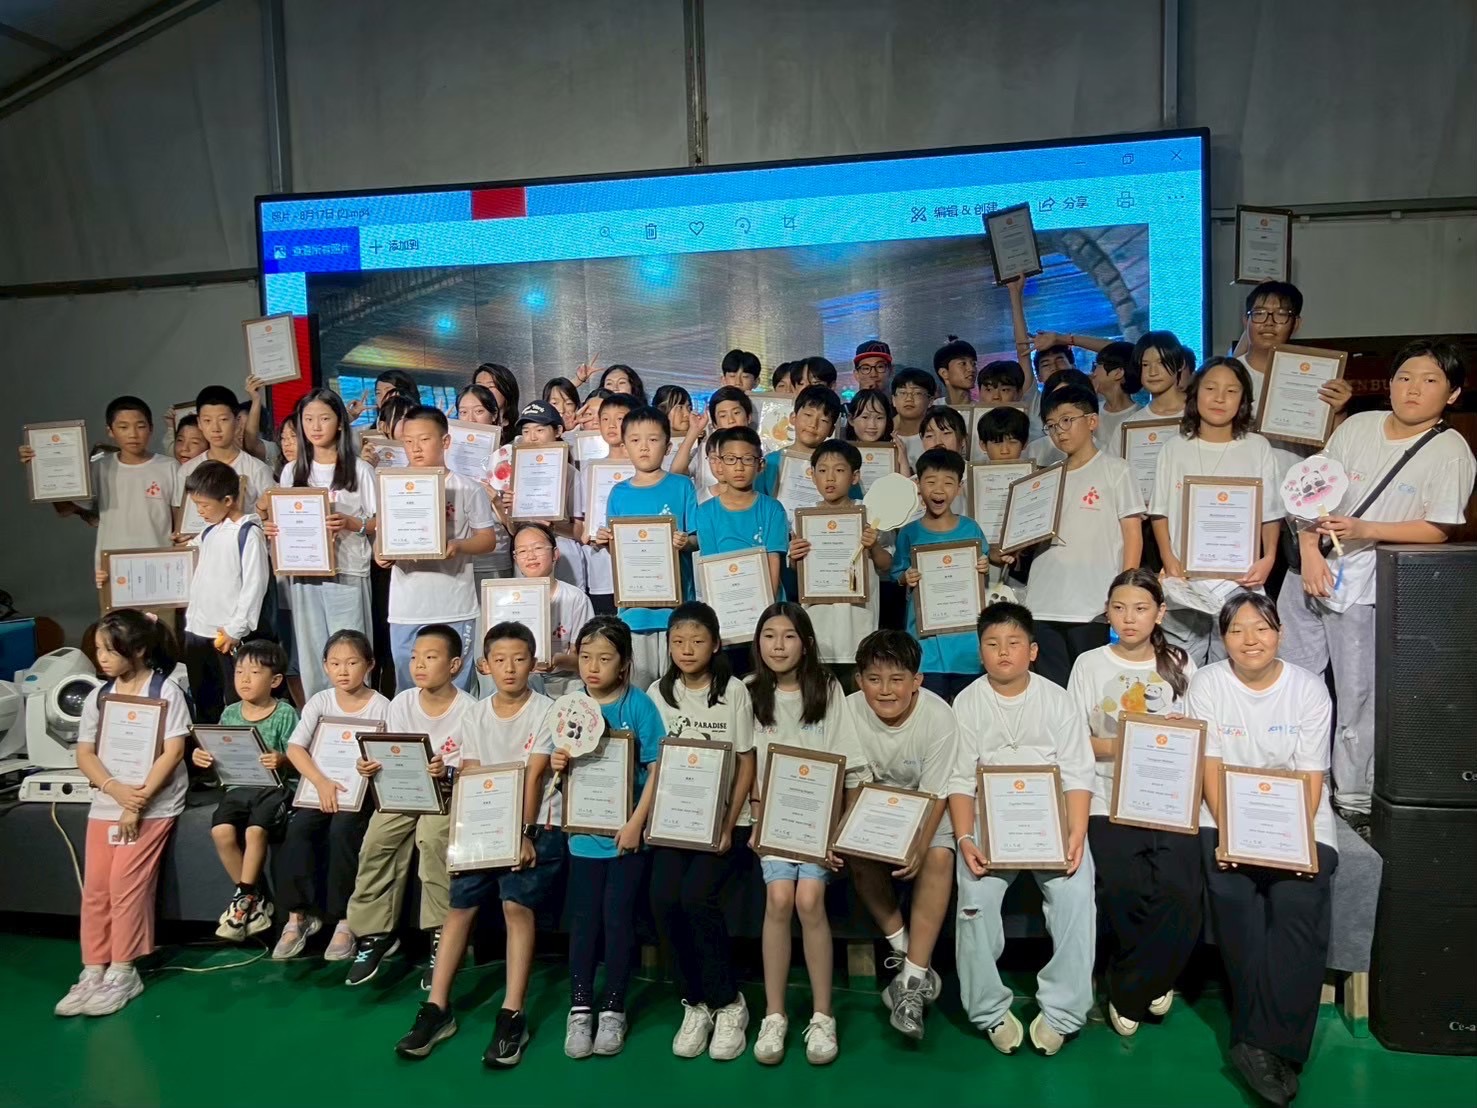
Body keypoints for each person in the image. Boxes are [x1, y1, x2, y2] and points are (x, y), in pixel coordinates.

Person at [1280, 339, 1474, 831]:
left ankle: (1352, 798)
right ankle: (1291, 781)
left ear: (1452, 394)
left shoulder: (1451, 451)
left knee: (1357, 696)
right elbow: (1309, 492)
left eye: (1430, 380)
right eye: (1404, 377)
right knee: (1292, 681)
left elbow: (1439, 528)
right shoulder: (1358, 426)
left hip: (1364, 589)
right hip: (1307, 574)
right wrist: (1309, 554)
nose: (1413, 389)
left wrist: (1364, 529)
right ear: (1389, 383)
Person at [1191, 593, 1339, 1106]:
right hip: (1224, 815)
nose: (1249, 639)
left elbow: (1310, 776)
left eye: (1261, 628)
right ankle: (1270, 1045)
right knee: (1233, 896)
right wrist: (1234, 835)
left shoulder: (1308, 688)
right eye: (1236, 630)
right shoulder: (1208, 683)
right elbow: (1209, 768)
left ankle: (1255, 1044)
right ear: (1223, 638)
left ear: (1280, 632)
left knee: (1299, 901)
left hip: (1300, 820)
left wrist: (1287, 841)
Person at [395, 621, 563, 1067]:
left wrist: (525, 834)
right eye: (500, 660)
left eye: (519, 659)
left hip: (533, 826)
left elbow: (535, 775)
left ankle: (512, 1014)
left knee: (514, 906)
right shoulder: (475, 713)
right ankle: (437, 1009)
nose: (509, 668)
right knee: (459, 908)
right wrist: (465, 829)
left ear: (533, 663)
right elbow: (469, 770)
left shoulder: (547, 710)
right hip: (483, 824)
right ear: (485, 666)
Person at [949, 602, 1096, 1057]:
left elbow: (1078, 772)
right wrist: (965, 838)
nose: (1003, 652)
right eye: (992, 644)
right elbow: (959, 779)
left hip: (1051, 818)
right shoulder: (967, 702)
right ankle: (988, 1010)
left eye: (1013, 643)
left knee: (1076, 893)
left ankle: (1063, 1011)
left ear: (1032, 650)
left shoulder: (1057, 699)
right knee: (974, 897)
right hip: (990, 819)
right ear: (980, 652)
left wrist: (1076, 833)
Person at [1066, 570, 1198, 1037]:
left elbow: (1195, 734)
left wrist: (1166, 738)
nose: (1129, 618)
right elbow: (1074, 742)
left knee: (1182, 887)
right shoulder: (1089, 664)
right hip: (1106, 795)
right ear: (1107, 611)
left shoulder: (1179, 662)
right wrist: (1131, 740)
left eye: (1141, 609)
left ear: (1160, 613)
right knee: (1123, 883)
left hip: (1168, 796)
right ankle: (1149, 980)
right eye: (1119, 608)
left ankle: (1134, 984)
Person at [748, 603, 871, 1066]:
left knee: (808, 899)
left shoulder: (827, 689)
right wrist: (755, 817)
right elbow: (746, 765)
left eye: (789, 636)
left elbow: (850, 766)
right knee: (780, 897)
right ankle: (774, 1014)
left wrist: (838, 832)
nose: (778, 646)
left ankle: (822, 1015)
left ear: (807, 643)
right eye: (769, 636)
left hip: (818, 826)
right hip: (773, 824)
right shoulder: (748, 691)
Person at [56, 610, 191, 1018]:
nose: (101, 658)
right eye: (98, 650)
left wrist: (138, 801)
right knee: (97, 887)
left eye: (110, 650)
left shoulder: (166, 691)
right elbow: (85, 753)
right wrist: (114, 789)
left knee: (125, 884)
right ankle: (93, 969)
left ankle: (123, 970)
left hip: (153, 803)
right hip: (108, 802)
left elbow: (173, 751)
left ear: (139, 650)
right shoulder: (99, 696)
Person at [646, 602, 757, 1061]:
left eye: (696, 641)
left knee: (696, 896)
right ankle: (694, 1002)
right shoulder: (658, 693)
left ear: (715, 645)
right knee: (663, 897)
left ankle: (728, 1002)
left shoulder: (734, 691)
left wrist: (729, 825)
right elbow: (652, 762)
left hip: (724, 823)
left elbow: (746, 761)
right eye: (677, 641)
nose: (686, 650)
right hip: (675, 822)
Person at [343, 624, 478, 988]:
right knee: (376, 841)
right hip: (403, 793)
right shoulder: (402, 702)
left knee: (432, 841)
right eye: (415, 656)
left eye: (430, 657)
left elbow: (474, 763)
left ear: (454, 665)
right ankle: (373, 933)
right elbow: (390, 752)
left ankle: (442, 936)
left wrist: (448, 770)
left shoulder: (469, 710)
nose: (419, 664)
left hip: (447, 795)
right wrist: (369, 764)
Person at [561, 616, 665, 1059]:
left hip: (626, 838)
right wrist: (558, 765)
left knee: (619, 920)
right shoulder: (569, 705)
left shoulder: (639, 706)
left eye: (604, 658)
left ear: (624, 663)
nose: (593, 667)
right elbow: (555, 763)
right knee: (585, 922)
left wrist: (637, 823)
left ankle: (613, 1008)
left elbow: (658, 768)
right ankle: (580, 1007)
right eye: (585, 657)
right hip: (583, 837)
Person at [846, 630, 957, 1040]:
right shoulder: (847, 711)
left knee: (939, 855)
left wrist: (918, 846)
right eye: (874, 679)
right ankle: (909, 955)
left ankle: (909, 984)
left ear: (917, 681)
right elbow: (853, 786)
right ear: (859, 680)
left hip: (926, 806)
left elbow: (936, 793)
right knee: (854, 849)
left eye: (897, 679)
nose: (885, 690)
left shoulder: (939, 716)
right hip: (872, 806)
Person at [1148, 358, 1282, 664]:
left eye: (1231, 391)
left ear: (1243, 400)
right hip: (1185, 583)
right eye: (1210, 388)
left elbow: (1271, 512)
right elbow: (1160, 511)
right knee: (1180, 667)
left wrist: (1269, 557)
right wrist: (1169, 560)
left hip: (1240, 581)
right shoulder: (1175, 448)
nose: (1220, 398)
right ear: (1195, 393)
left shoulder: (1257, 447)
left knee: (1238, 666)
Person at [274, 630, 390, 961]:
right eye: (335, 663)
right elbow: (295, 748)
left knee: (343, 830)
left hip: (360, 794)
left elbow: (389, 750)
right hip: (319, 790)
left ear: (369, 665)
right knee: (298, 828)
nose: (343, 671)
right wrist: (321, 782)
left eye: (352, 663)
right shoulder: (320, 701)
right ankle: (298, 917)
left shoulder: (382, 706)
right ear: (325, 666)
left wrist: (371, 765)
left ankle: (345, 921)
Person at [1021, 386, 1143, 686]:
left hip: (1091, 605)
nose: (1059, 431)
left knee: (1093, 690)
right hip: (1043, 601)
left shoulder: (1116, 470)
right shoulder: (1045, 477)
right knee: (1054, 693)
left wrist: (1125, 592)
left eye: (1066, 420)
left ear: (1092, 421)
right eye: (1051, 425)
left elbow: (1133, 535)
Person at [376, 405, 497, 692]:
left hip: (454, 605)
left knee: (457, 690)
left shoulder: (468, 488)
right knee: (410, 689)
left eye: (424, 439)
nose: (415, 448)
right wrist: (381, 555)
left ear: (445, 441)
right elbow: (381, 543)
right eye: (408, 441)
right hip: (407, 607)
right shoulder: (392, 486)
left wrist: (457, 545)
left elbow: (488, 539)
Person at [267, 389, 377, 698]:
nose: (315, 427)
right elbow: (285, 518)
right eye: (308, 419)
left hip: (348, 570)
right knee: (313, 654)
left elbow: (381, 521)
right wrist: (274, 528)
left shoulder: (360, 470)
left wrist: (352, 523)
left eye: (324, 418)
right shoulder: (292, 471)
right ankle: (320, 716)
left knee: (351, 652)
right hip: (305, 573)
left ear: (340, 423)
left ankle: (357, 715)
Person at [191, 640, 298, 939]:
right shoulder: (230, 713)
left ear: (275, 680)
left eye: (255, 672)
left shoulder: (285, 713)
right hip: (238, 788)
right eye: (239, 672)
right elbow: (219, 756)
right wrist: (202, 757)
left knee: (254, 831)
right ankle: (254, 898)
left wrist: (282, 759)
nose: (245, 679)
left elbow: (300, 755)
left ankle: (243, 900)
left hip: (273, 788)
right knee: (221, 832)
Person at [20, 396, 179, 588]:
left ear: (151, 429)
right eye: (123, 427)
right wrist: (41, 467)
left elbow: (178, 522)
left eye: (140, 426)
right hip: (112, 567)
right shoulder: (100, 467)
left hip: (160, 562)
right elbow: (65, 509)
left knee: (160, 607)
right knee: (115, 609)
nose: (133, 434)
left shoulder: (169, 467)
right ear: (110, 431)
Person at [603, 406, 699, 689]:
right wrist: (607, 542)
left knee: (677, 688)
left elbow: (698, 539)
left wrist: (685, 541)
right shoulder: (618, 493)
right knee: (639, 687)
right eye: (635, 440)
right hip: (634, 613)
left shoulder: (682, 486)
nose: (644, 447)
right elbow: (618, 552)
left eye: (653, 439)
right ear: (625, 446)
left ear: (668, 447)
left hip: (676, 611)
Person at [787, 440, 891, 690]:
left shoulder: (871, 515)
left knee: (856, 696)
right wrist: (793, 557)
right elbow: (797, 570)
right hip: (818, 627)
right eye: (822, 470)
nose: (830, 478)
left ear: (854, 476)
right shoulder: (803, 518)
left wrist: (873, 546)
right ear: (812, 475)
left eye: (839, 470)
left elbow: (886, 564)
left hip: (858, 626)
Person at [893, 448, 989, 703]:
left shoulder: (971, 528)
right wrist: (905, 577)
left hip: (967, 647)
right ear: (918, 485)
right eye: (931, 481)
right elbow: (896, 574)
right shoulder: (909, 532)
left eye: (948, 482)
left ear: (959, 488)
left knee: (968, 713)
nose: (939, 490)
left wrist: (983, 566)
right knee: (931, 711)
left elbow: (983, 568)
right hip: (926, 647)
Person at [181, 460, 270, 723]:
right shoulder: (208, 532)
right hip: (197, 631)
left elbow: (255, 586)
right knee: (204, 701)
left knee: (235, 703)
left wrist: (235, 629)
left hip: (226, 635)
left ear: (228, 500)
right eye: (196, 505)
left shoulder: (247, 533)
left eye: (205, 505)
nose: (200, 511)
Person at [693, 426, 789, 609]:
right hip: (726, 606)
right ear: (720, 464)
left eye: (747, 459)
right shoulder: (705, 512)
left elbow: (773, 561)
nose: (739, 467)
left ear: (760, 465)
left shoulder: (772, 509)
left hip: (768, 606)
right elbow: (711, 565)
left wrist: (767, 610)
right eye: (731, 459)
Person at [174, 385, 273, 537]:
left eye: (223, 420)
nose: (215, 428)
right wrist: (180, 537)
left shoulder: (256, 469)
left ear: (238, 421)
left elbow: (272, 517)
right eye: (207, 420)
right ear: (199, 423)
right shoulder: (187, 471)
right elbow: (180, 521)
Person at [507, 523, 593, 697]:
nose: (530, 556)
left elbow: (585, 658)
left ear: (555, 554)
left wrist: (559, 661)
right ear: (515, 559)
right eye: (522, 551)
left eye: (538, 548)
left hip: (565, 682)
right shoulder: (504, 599)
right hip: (520, 682)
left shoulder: (575, 598)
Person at [576, 392, 640, 615]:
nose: (611, 425)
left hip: (639, 565)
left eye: (619, 418)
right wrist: (588, 533)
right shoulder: (590, 469)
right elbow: (583, 522)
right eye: (605, 418)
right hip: (601, 570)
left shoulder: (644, 468)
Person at [755, 386, 845, 523]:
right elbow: (758, 505)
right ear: (793, 417)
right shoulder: (771, 462)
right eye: (808, 415)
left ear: (831, 429)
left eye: (824, 420)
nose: (813, 424)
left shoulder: (841, 466)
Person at [672, 385, 752, 502]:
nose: (731, 420)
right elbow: (676, 473)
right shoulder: (706, 449)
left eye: (736, 413)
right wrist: (694, 430)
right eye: (723, 415)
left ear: (749, 417)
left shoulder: (760, 452)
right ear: (714, 424)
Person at [843, 387, 913, 479]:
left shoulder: (894, 451)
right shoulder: (841, 452)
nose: (872, 425)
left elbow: (906, 486)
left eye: (879, 418)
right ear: (851, 419)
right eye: (865, 417)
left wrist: (903, 461)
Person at [1088, 342, 1143, 457]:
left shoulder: (1140, 417)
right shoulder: (1090, 412)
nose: (1093, 373)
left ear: (1118, 373)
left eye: (1097, 365)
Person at [890, 367, 937, 467]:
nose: (909, 398)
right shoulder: (884, 434)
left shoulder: (938, 437)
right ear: (893, 400)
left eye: (917, 393)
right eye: (903, 393)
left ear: (930, 401)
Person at [472, 363, 519, 440]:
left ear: (507, 390)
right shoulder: (468, 427)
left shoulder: (522, 431)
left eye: (491, 386)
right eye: (479, 387)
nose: (483, 392)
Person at [934, 337, 977, 407]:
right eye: (963, 363)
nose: (972, 369)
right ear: (944, 373)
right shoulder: (932, 408)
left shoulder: (981, 410)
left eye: (974, 364)